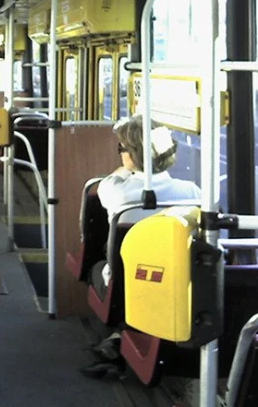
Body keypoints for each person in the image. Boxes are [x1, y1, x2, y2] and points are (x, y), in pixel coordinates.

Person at [81, 115, 201, 379]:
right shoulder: (192, 192)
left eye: (121, 148)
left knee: (96, 270)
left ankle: (116, 336)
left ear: (131, 154)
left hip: (128, 284)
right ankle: (119, 337)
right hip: (179, 284)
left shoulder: (117, 192)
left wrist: (131, 163)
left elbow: (110, 180)